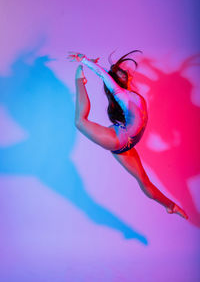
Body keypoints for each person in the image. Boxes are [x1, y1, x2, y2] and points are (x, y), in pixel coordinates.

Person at [67, 50, 188, 220]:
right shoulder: (120, 94)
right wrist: (85, 61)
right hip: (116, 139)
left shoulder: (132, 94)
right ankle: (79, 78)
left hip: (126, 144)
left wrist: (159, 72)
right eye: (119, 74)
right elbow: (103, 75)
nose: (125, 74)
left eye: (125, 73)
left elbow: (145, 80)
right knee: (79, 122)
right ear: (116, 81)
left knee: (144, 181)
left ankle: (171, 206)